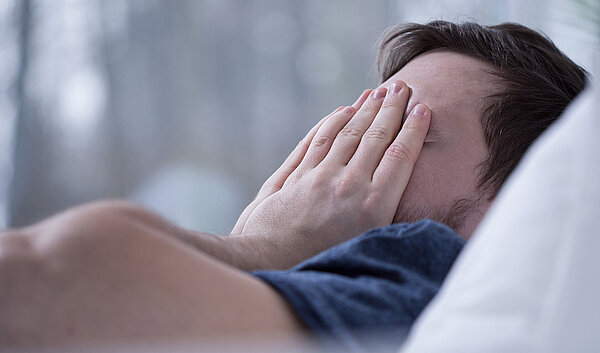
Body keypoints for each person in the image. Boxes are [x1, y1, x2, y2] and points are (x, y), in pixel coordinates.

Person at [0, 21, 587, 350]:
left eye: (399, 133)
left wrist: (262, 249)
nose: (335, 157)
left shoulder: (419, 266)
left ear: (516, 198)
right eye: (354, 124)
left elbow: (40, 282)